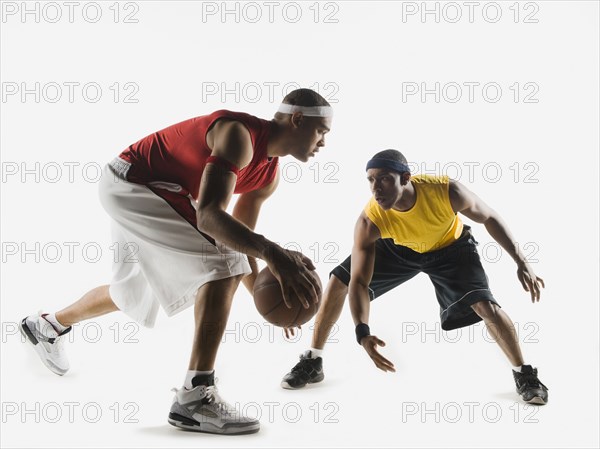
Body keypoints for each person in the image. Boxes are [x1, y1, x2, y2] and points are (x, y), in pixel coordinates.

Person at [19, 88, 332, 434]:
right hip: (137, 182)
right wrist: (275, 256)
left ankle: (47, 325)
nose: (323, 142)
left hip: (135, 186)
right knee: (222, 264)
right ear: (298, 119)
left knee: (136, 293)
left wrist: (265, 291)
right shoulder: (239, 135)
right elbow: (211, 218)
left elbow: (239, 239)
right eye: (322, 131)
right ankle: (194, 396)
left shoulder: (267, 178)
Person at [281, 149, 549, 405]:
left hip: (451, 248)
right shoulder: (370, 220)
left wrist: (522, 261)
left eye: (384, 179)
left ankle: (524, 373)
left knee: (484, 305)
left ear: (405, 178)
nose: (376, 188)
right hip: (399, 248)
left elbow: (489, 217)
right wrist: (363, 333)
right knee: (339, 280)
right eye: (371, 180)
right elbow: (359, 283)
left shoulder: (446, 191)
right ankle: (313, 360)